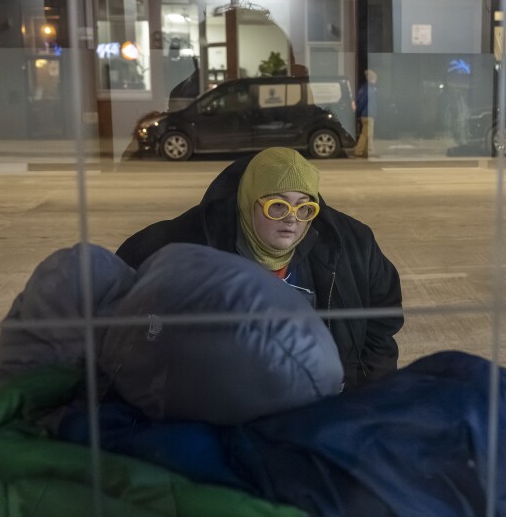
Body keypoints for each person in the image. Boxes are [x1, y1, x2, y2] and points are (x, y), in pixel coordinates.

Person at [115, 147, 404, 389]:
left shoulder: (352, 245)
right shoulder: (177, 246)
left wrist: (363, 394)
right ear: (248, 202)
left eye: (305, 208)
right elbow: (121, 334)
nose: (292, 219)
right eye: (277, 206)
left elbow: (382, 322)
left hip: (323, 409)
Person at [353, 69, 377, 158]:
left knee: (365, 134)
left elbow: (359, 101)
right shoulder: (370, 89)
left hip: (365, 114)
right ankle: (368, 151)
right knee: (369, 134)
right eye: (374, 78)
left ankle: (361, 151)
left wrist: (358, 113)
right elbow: (363, 102)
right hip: (368, 114)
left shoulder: (364, 88)